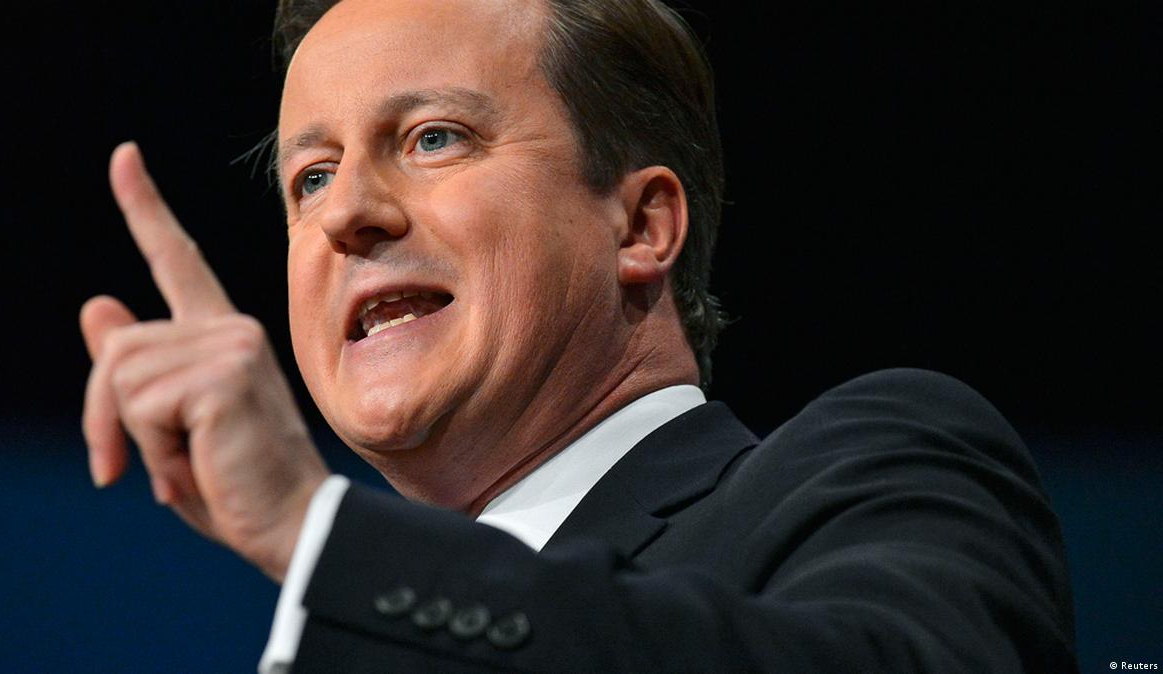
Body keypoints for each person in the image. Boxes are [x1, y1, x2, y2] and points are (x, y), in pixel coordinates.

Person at [80, 0, 1078, 671]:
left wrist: (323, 537)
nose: (346, 213)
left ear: (638, 225)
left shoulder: (882, 459)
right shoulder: (348, 635)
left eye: (433, 137)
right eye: (311, 177)